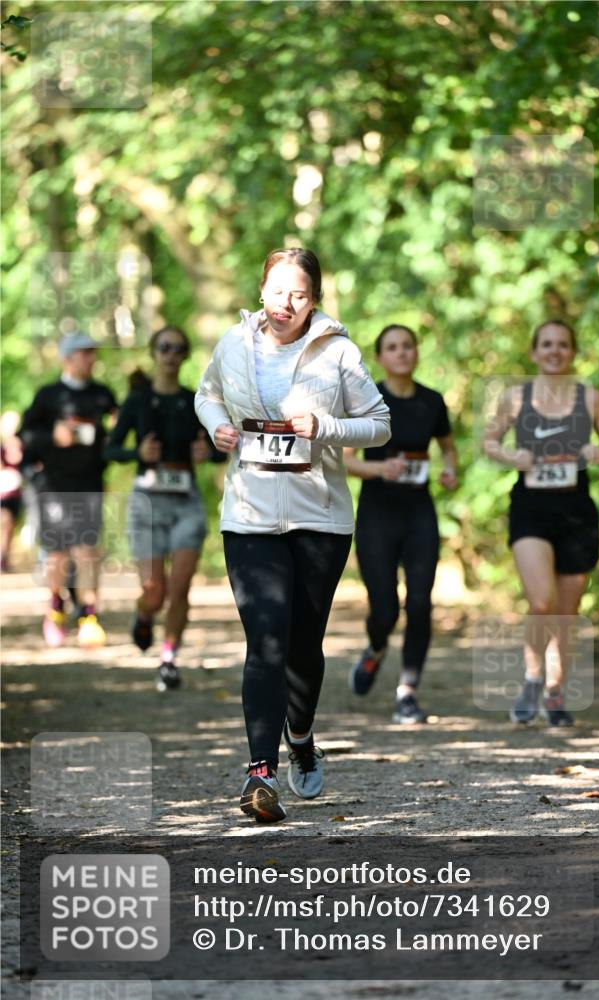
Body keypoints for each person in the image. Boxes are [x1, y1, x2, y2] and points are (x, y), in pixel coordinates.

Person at [195, 247, 391, 823]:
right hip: (249, 515)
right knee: (266, 640)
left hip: (320, 519)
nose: (286, 303)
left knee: (303, 645)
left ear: (314, 300)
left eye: (299, 294)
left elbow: (379, 425)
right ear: (261, 290)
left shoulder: (340, 353)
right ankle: (260, 773)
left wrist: (325, 427)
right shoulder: (233, 344)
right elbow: (205, 394)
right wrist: (217, 427)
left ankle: (300, 737)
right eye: (278, 290)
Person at [483, 319, 599, 726]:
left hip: (576, 513)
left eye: (562, 345)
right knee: (542, 600)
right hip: (530, 509)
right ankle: (532, 676)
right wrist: (513, 457)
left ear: (573, 352)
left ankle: (556, 691)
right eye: (546, 344)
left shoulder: (591, 399)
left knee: (566, 610)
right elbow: (489, 442)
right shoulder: (517, 397)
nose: (554, 351)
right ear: (534, 352)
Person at [343, 324, 458, 723]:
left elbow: (447, 448)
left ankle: (407, 691)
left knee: (422, 604)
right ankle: (375, 649)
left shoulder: (432, 401)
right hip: (378, 514)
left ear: (416, 352)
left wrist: (450, 471)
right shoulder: (367, 400)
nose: (402, 353)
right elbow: (345, 459)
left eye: (408, 346)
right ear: (380, 357)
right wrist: (379, 468)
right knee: (385, 610)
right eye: (392, 347)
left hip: (419, 513)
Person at [106, 326, 223, 692]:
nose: (171, 354)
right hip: (148, 502)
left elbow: (220, 447)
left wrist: (208, 453)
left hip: (186, 500)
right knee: (155, 590)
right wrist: (137, 454)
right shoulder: (137, 401)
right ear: (154, 353)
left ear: (185, 355)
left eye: (178, 348)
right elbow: (110, 449)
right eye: (165, 347)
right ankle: (143, 614)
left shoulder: (195, 401)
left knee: (181, 586)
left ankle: (169, 658)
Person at [19, 332, 117, 647]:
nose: (91, 358)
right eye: (84, 353)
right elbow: (25, 437)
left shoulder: (103, 395)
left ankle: (89, 615)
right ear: (67, 358)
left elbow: (116, 433)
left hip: (89, 483)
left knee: (88, 550)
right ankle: (55, 608)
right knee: (58, 552)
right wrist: (54, 437)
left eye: (93, 353)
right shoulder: (48, 395)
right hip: (53, 485)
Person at [0, 411, 24, 573]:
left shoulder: (23, 446)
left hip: (16, 493)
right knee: (4, 521)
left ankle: (4, 556)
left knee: (10, 527)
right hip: (2, 493)